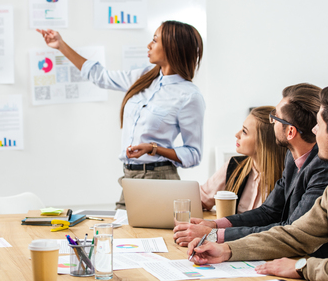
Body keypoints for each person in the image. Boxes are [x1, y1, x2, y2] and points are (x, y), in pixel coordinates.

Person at [187, 84, 328, 280]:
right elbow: (295, 234)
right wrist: (227, 250)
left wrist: (302, 267)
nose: (313, 131)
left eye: (319, 125)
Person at [37, 21, 205, 209]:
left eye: (155, 41)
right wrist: (61, 45)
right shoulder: (144, 77)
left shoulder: (189, 95)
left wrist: (153, 148)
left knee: (153, 238)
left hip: (160, 179)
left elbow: (193, 154)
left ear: (172, 48)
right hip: (130, 178)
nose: (149, 45)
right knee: (121, 235)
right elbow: (100, 76)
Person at [200, 106, 287, 213]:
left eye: (245, 132)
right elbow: (203, 199)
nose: (237, 135)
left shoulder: (285, 179)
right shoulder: (234, 165)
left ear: (263, 142)